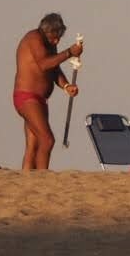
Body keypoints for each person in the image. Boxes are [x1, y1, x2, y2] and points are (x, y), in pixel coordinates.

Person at [12, 14, 83, 171]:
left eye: (59, 38)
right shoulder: (34, 39)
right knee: (47, 140)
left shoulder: (49, 44)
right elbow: (44, 64)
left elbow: (53, 68)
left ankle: (27, 183)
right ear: (46, 31)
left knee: (34, 145)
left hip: (40, 99)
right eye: (54, 37)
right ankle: (43, 179)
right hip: (27, 97)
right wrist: (69, 52)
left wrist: (65, 86)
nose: (56, 41)